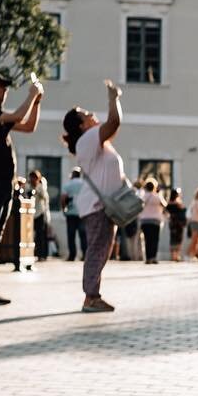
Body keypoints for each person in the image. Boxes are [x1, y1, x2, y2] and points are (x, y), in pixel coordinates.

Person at [0, 71, 43, 305]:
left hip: (4, 184)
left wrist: (37, 102)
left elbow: (29, 125)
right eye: (2, 86)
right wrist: (31, 95)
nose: (5, 90)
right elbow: (19, 114)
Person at [63, 79, 126, 313]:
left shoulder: (94, 141)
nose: (92, 115)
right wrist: (113, 99)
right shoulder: (88, 139)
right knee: (97, 250)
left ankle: (93, 295)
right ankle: (90, 297)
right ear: (81, 125)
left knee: (101, 250)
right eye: (87, 114)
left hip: (103, 206)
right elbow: (114, 122)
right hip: (97, 205)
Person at [136, 179, 164, 265]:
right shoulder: (157, 196)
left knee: (147, 239)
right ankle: (154, 257)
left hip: (144, 220)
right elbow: (164, 205)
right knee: (154, 239)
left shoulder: (143, 197)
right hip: (156, 220)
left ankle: (148, 258)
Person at [60, 167, 85, 261]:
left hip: (71, 213)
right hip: (82, 212)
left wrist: (64, 209)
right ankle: (85, 254)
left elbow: (63, 198)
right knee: (83, 234)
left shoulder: (68, 185)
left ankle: (72, 255)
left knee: (71, 235)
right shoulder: (84, 184)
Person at [27, 170, 51, 261]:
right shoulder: (28, 187)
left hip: (39, 213)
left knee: (40, 235)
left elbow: (45, 198)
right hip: (30, 214)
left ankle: (41, 254)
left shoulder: (41, 188)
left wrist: (37, 190)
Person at [164, 189, 186, 262]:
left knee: (172, 238)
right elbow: (183, 211)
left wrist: (169, 217)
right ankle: (176, 255)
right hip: (178, 223)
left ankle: (173, 255)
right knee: (178, 238)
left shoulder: (169, 203)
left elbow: (165, 212)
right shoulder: (178, 203)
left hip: (172, 222)